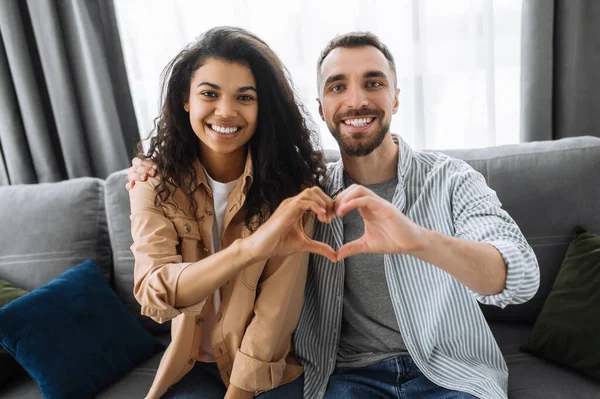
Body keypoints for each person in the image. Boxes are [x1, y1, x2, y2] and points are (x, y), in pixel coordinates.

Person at [129, 32, 540, 399]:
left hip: (453, 374)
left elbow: (520, 277)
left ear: (396, 97)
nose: (356, 100)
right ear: (322, 107)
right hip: (348, 377)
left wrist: (418, 238)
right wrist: (147, 168)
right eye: (338, 86)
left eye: (374, 83)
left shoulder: (451, 179)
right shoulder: (302, 193)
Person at [128, 26, 338, 399]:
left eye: (245, 97)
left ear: (262, 108)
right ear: (185, 99)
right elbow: (153, 292)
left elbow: (275, 317)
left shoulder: (292, 190)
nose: (226, 111)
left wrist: (237, 394)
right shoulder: (151, 182)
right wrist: (247, 250)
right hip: (191, 364)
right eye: (209, 93)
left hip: (265, 371)